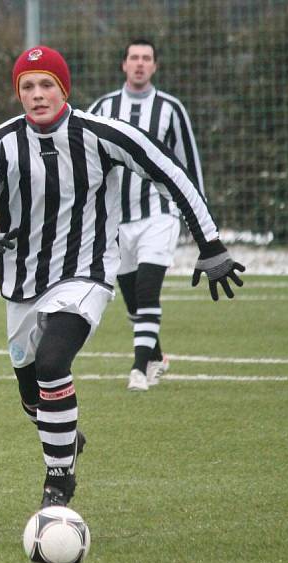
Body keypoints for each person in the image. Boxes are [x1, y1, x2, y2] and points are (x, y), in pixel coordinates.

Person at [0, 46, 244, 509]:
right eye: (27, 86)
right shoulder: (2, 142)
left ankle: (58, 482)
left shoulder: (97, 133)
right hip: (22, 281)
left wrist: (209, 244)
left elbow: (171, 171)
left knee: (52, 363)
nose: (37, 94)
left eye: (47, 84)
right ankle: (66, 435)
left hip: (85, 272)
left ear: (63, 88)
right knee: (33, 400)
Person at [88, 38, 204, 391]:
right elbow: (86, 158)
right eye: (134, 58)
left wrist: (198, 219)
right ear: (124, 64)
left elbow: (188, 163)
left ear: (154, 66)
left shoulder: (171, 108)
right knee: (132, 299)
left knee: (147, 289)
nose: (140, 64)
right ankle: (156, 355)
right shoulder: (102, 107)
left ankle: (140, 370)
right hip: (116, 219)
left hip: (160, 212)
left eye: (147, 58)